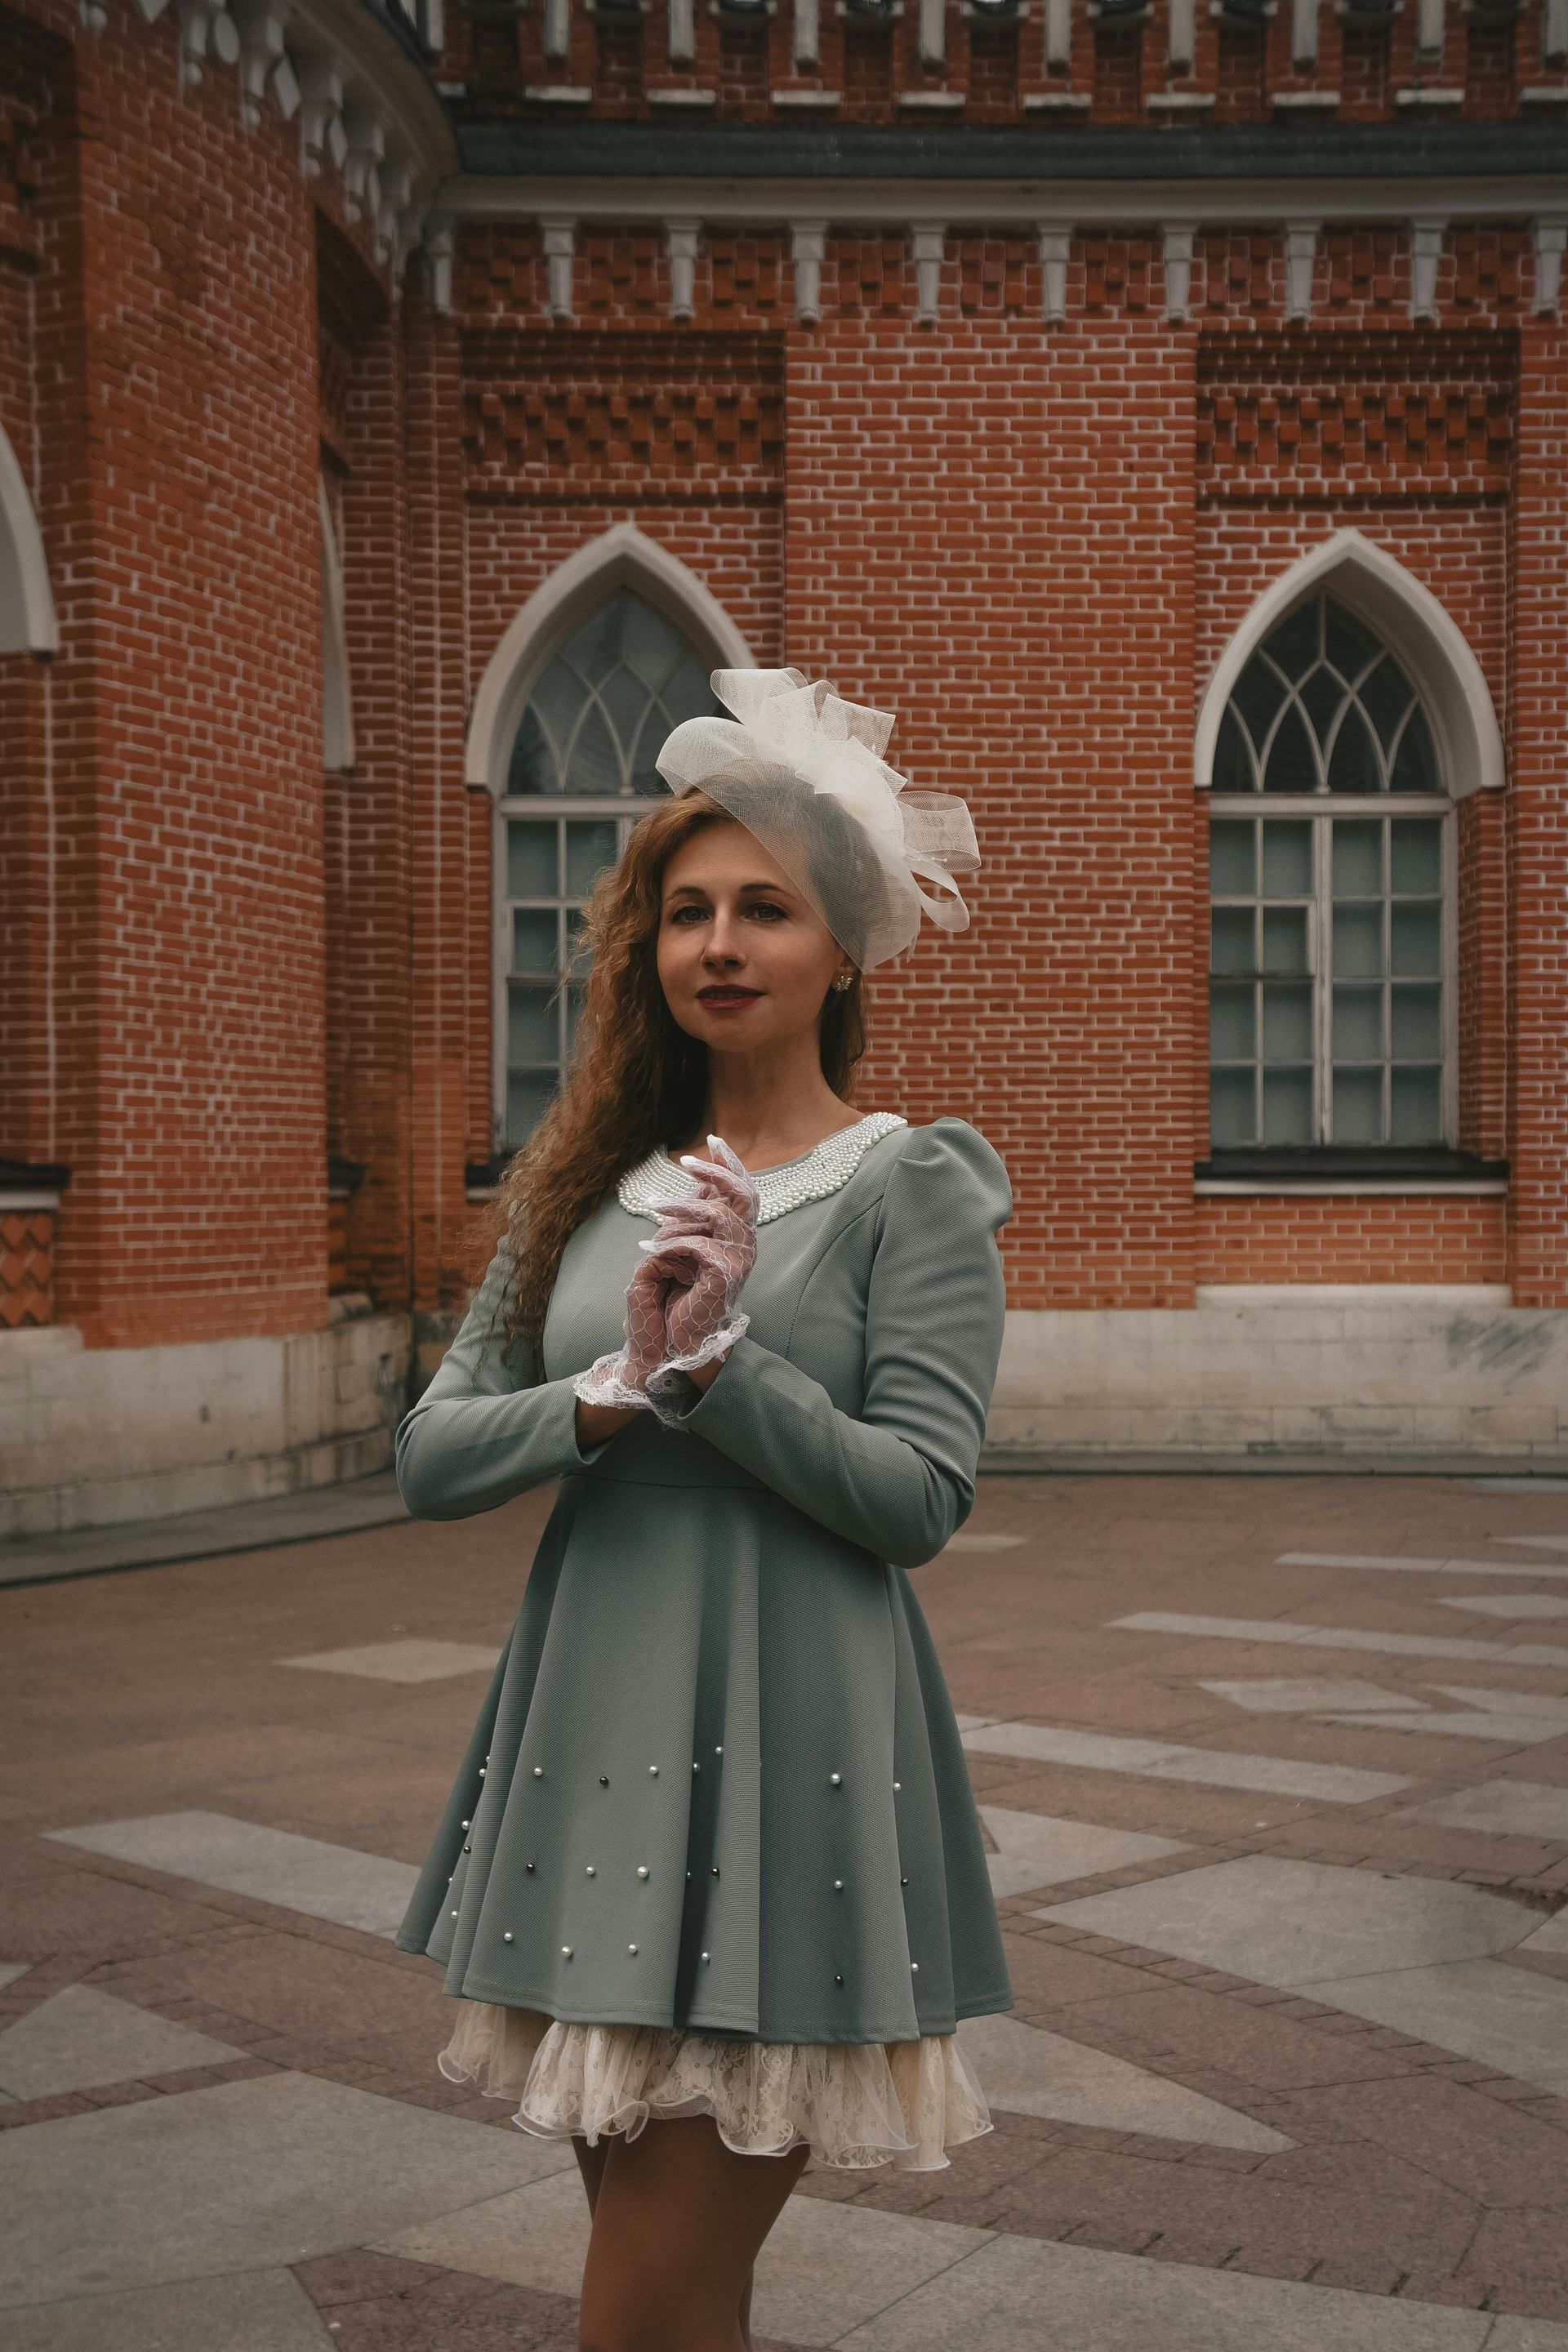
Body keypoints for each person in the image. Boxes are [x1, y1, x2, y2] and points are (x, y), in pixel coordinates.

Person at [394, 668, 1015, 2352]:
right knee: (678, 2310)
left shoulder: (912, 1183)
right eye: (687, 912)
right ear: (648, 948)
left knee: (642, 2307)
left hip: (789, 1757)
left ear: (842, 948)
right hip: (590, 1752)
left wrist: (729, 1369)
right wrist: (606, 1396)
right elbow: (432, 1459)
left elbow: (917, 1499)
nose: (720, 944)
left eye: (765, 909)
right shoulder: (585, 1181)